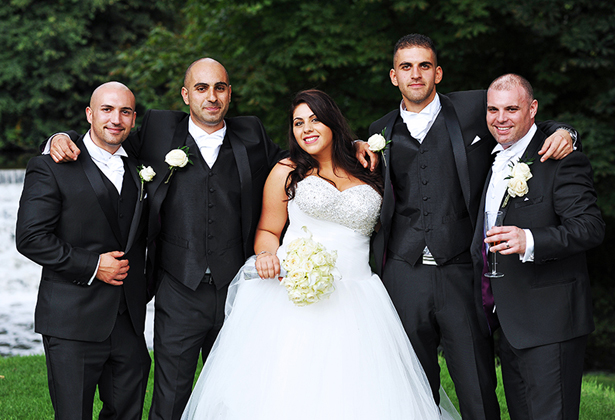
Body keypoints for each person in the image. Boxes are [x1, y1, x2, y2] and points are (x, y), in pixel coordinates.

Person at [181, 89, 460, 420]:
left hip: (360, 296)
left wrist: (357, 145)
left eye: (314, 119)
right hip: (293, 295)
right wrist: (266, 255)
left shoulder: (368, 167)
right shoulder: (287, 170)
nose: (306, 129)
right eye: (298, 123)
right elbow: (268, 231)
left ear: (332, 122)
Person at [46, 58, 287, 420]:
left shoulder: (251, 133)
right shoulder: (159, 128)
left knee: (240, 392)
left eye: (219, 88)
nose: (211, 97)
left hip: (238, 288)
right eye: (202, 88)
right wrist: (56, 138)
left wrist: (351, 150)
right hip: (178, 287)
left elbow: (297, 159)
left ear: (230, 94)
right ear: (185, 94)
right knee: (171, 396)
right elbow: (107, 138)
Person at [361, 34, 578, 419]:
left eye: (424, 65)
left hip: (462, 267)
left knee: (476, 381)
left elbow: (524, 120)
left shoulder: (474, 108)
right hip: (402, 270)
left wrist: (567, 132)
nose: (416, 74)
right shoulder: (380, 131)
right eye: (406, 67)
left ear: (438, 72)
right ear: (393, 76)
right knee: (410, 380)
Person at [471, 74, 604, 420]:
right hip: (509, 320)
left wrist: (528, 239)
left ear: (532, 110)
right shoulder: (490, 155)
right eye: (493, 109)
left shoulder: (561, 159)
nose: (500, 118)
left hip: (551, 321)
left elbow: (590, 228)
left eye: (511, 109)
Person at [16, 82, 150, 419]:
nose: (115, 119)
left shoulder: (141, 163)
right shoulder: (51, 165)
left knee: (127, 412)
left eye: (125, 111)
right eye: (106, 110)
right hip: (71, 320)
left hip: (128, 322)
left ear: (134, 119)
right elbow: (30, 237)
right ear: (90, 114)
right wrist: (93, 266)